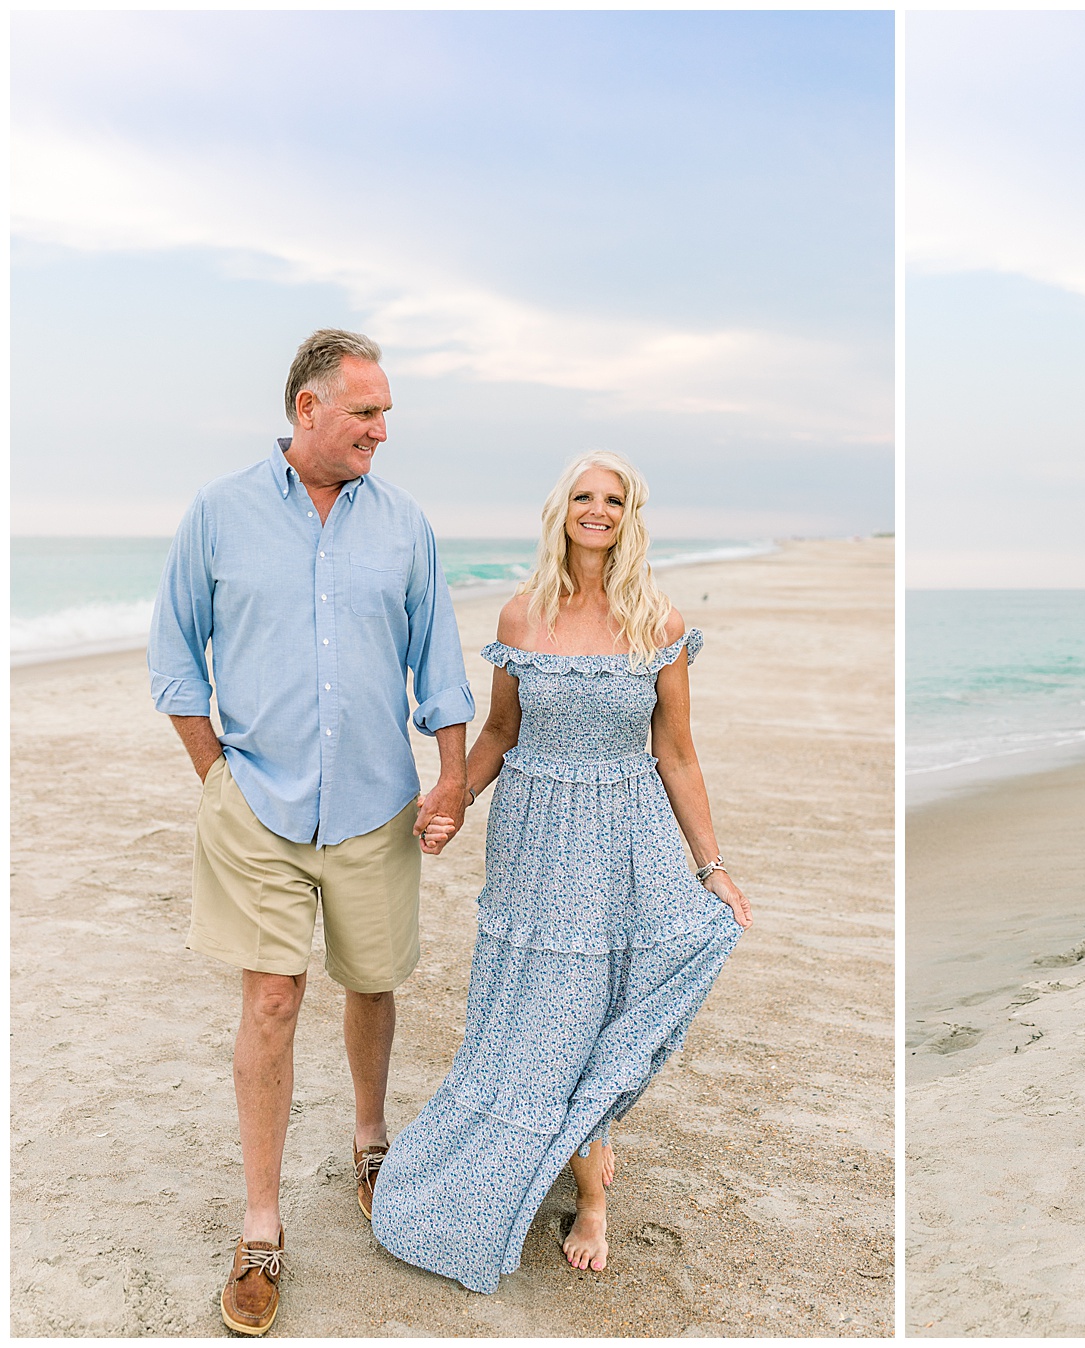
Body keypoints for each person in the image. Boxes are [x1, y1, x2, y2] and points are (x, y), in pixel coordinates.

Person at [148, 329, 475, 1336]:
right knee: (274, 999)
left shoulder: (406, 526)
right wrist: (220, 784)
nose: (383, 429)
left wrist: (453, 777)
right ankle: (260, 1225)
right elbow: (174, 656)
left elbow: (441, 663)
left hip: (377, 801)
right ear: (309, 410)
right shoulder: (219, 513)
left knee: (371, 981)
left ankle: (371, 1142)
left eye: (386, 414)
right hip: (259, 809)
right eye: (366, 412)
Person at [370, 449, 752, 1294]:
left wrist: (713, 866)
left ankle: (591, 1196)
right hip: (534, 847)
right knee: (532, 1016)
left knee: (598, 1008)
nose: (598, 510)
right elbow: (501, 732)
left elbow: (678, 754)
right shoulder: (520, 616)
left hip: (623, 837)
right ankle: (560, 1156)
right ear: (562, 511)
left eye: (614, 499)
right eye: (584, 496)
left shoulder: (658, 622)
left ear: (631, 515)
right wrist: (453, 798)